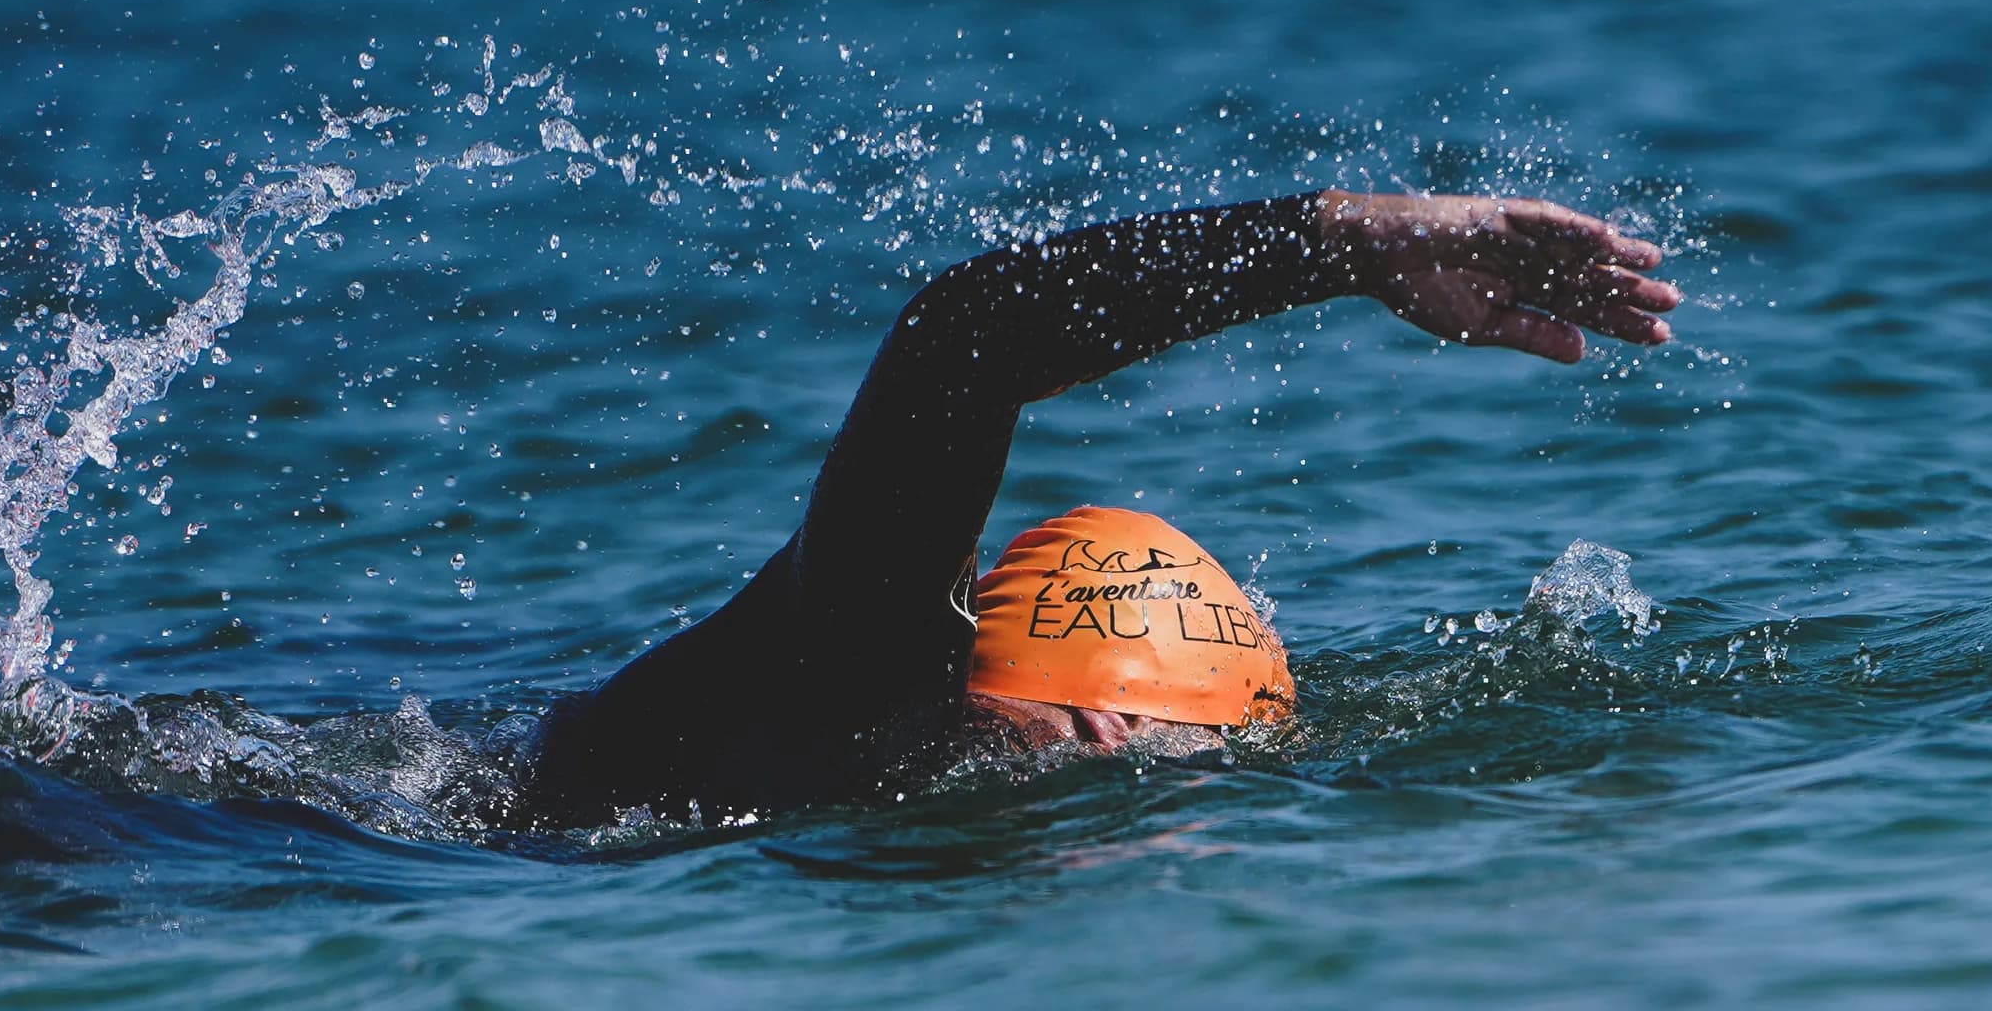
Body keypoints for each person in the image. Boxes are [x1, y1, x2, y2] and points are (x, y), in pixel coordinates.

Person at [528, 188, 1680, 824]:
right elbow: (963, 336)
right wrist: (1339, 244)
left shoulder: (868, 712)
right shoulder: (861, 668)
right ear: (1104, 725)